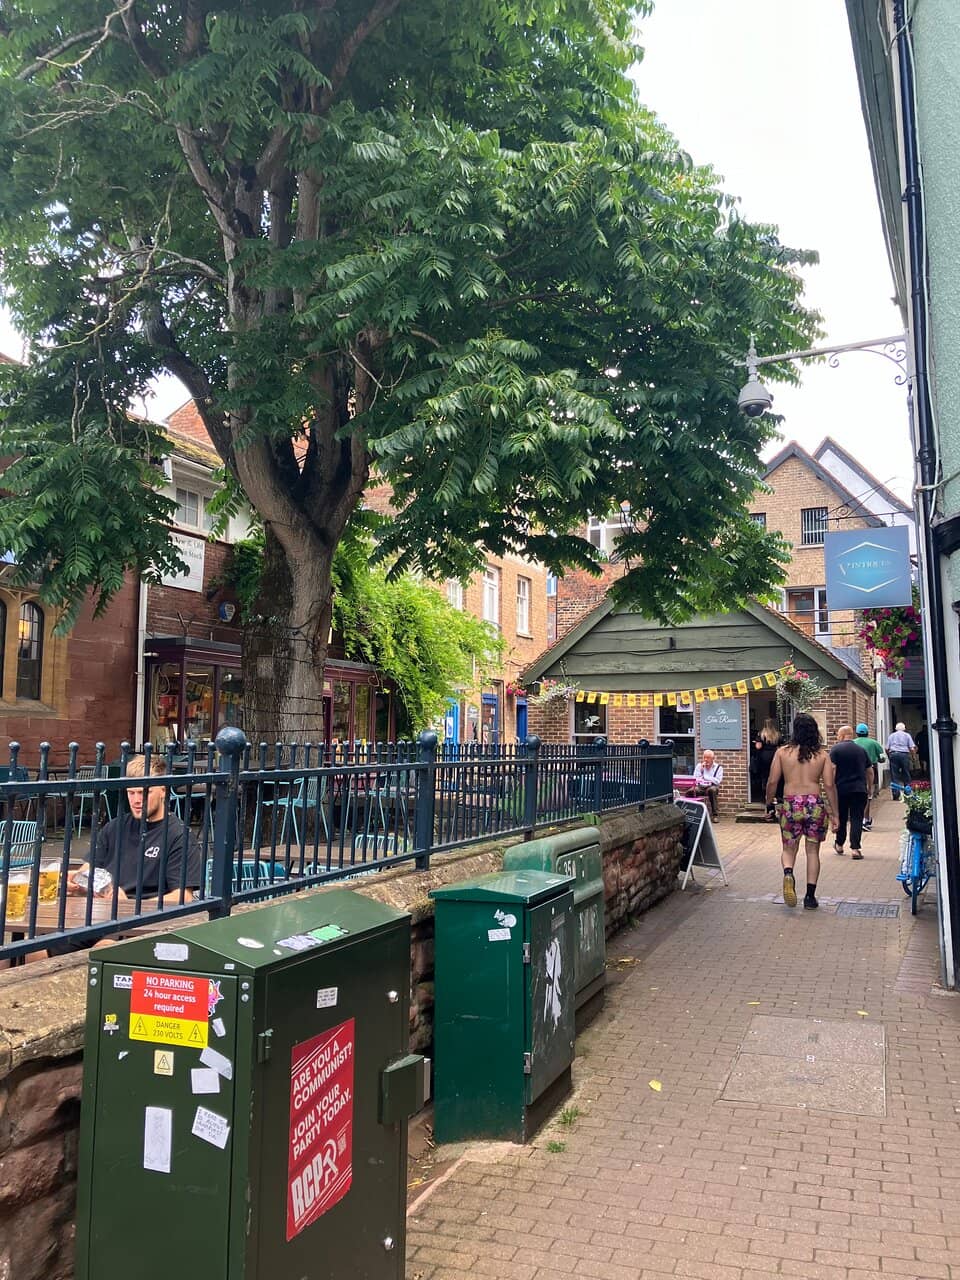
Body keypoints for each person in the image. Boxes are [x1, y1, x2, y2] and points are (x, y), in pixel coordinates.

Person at [68, 755, 202, 902]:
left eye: (144, 793)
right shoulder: (114, 828)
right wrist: (77, 882)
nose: (137, 800)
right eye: (131, 793)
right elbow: (88, 869)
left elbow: (183, 896)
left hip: (149, 917)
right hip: (103, 908)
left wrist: (130, 905)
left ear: (163, 791)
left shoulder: (179, 836)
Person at [766, 713, 839, 911]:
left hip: (791, 803)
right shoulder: (822, 755)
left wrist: (769, 803)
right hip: (815, 804)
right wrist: (835, 814)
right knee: (813, 851)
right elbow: (830, 785)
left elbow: (772, 781)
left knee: (789, 848)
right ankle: (810, 896)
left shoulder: (782, 753)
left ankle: (788, 873)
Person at [830, 726, 874, 859]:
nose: (837, 737)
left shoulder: (835, 750)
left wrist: (831, 786)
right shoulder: (861, 750)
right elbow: (870, 771)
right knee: (857, 818)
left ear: (842, 735)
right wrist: (869, 787)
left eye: (838, 734)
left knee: (842, 817)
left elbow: (832, 769)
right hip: (859, 789)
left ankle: (839, 844)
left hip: (841, 789)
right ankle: (855, 848)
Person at [853, 723, 885, 829]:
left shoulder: (853, 743)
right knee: (868, 794)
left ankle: (861, 818)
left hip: (855, 770)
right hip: (871, 769)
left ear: (856, 733)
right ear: (867, 732)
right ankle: (864, 819)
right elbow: (882, 758)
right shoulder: (874, 743)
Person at [750, 719, 781, 818]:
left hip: (764, 758)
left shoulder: (761, 734)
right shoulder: (777, 735)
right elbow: (781, 747)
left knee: (765, 779)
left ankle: (768, 801)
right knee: (775, 779)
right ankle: (776, 799)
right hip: (775, 757)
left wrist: (755, 743)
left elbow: (758, 747)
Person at [885, 722, 916, 800]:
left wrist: (889, 756)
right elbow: (912, 748)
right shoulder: (907, 735)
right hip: (904, 755)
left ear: (896, 729)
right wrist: (913, 757)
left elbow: (886, 748)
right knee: (906, 774)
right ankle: (907, 793)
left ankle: (896, 794)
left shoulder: (891, 736)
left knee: (894, 775)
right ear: (904, 729)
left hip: (893, 754)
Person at [690, 749, 723, 819]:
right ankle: (694, 813)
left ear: (713, 759)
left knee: (712, 790)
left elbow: (717, 781)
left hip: (712, 787)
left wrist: (706, 777)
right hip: (700, 787)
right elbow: (695, 778)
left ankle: (715, 815)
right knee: (691, 791)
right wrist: (701, 771)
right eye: (704, 757)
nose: (705, 759)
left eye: (708, 758)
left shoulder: (718, 768)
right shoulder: (699, 766)